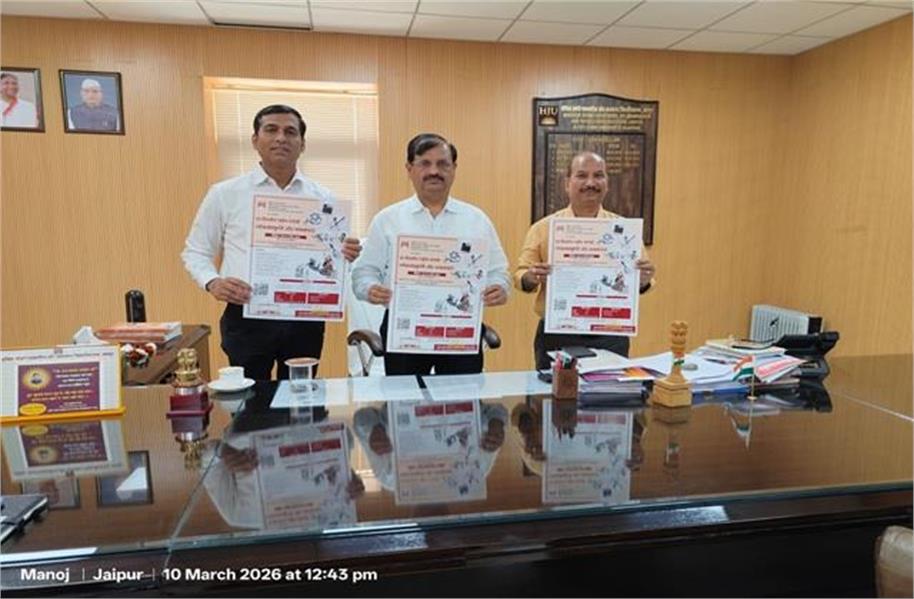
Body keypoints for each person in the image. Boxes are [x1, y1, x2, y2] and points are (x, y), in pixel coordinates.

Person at [182, 104, 361, 380]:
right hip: (247, 315)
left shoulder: (323, 197)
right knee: (251, 398)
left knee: (301, 395)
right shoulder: (225, 193)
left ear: (302, 144)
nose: (281, 138)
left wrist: (345, 252)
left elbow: (330, 257)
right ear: (255, 140)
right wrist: (213, 282)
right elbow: (196, 251)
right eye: (271, 130)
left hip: (304, 315)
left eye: (290, 132)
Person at [351, 133, 510, 376]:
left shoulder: (477, 220)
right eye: (425, 163)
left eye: (443, 164)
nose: (434, 171)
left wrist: (499, 288)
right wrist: (370, 288)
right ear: (409, 169)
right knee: (405, 396)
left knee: (462, 396)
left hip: (460, 330)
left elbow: (499, 273)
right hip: (405, 331)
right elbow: (363, 272)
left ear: (454, 169)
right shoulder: (387, 220)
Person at [515, 151, 657, 370]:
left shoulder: (625, 231)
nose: (590, 183)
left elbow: (643, 283)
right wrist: (531, 277)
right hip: (557, 332)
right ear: (567, 183)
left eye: (598, 175)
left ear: (607, 183)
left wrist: (644, 280)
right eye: (582, 175)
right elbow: (520, 276)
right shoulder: (543, 228)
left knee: (608, 390)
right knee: (552, 390)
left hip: (610, 333)